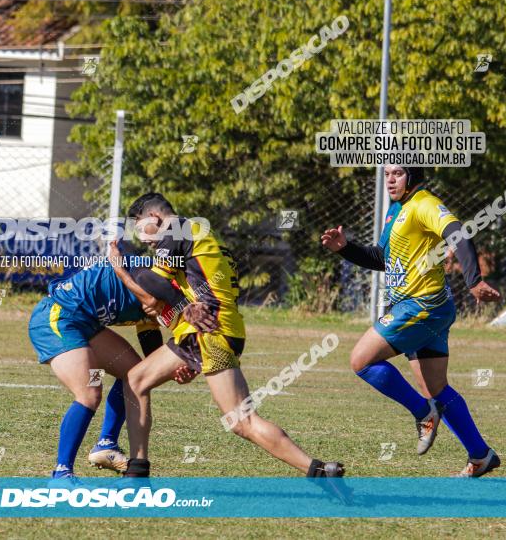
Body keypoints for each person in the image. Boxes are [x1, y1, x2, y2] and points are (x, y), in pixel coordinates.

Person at [109, 192, 345, 479]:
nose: (140, 234)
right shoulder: (202, 238)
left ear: (155, 218)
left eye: (139, 224)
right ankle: (136, 470)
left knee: (241, 421)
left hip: (210, 333)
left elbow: (150, 280)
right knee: (136, 379)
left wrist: (123, 271)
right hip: (211, 332)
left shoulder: (179, 228)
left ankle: (318, 470)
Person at [321, 165, 502, 477]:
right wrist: (345, 249)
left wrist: (473, 280)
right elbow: (381, 257)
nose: (390, 179)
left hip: (422, 305)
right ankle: (480, 455)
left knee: (360, 361)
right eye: (387, 173)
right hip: (427, 307)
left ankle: (423, 413)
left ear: (414, 176)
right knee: (435, 387)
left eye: (398, 173)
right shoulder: (396, 210)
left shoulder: (424, 204)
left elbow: (458, 233)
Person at [27, 252, 208, 482]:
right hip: (59, 316)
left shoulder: (174, 288)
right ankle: (61, 474)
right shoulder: (159, 277)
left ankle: (106, 445)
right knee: (89, 393)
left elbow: (150, 337)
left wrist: (170, 370)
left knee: (135, 373)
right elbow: (151, 299)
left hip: (87, 324)